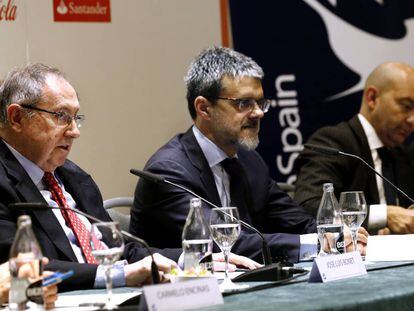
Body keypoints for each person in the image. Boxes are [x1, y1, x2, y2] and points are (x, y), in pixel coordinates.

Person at [130, 47, 367, 263]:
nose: (258, 113)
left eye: (260, 103)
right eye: (243, 103)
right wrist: (317, 244)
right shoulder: (169, 170)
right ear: (204, 108)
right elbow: (226, 241)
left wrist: (336, 235)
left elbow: (297, 221)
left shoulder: (249, 160)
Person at [294, 62, 414, 235]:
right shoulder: (333, 143)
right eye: (406, 106)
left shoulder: (403, 153)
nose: (412, 120)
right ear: (372, 98)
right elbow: (310, 205)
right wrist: (385, 215)